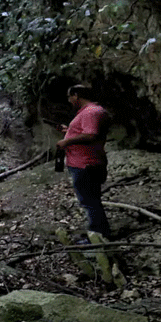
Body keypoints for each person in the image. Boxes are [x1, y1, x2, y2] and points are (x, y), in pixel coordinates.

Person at [57, 84, 112, 239]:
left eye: (70, 97)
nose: (69, 101)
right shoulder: (92, 111)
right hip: (89, 162)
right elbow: (87, 132)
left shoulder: (90, 112)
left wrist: (66, 142)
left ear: (76, 95)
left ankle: (99, 236)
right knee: (92, 200)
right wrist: (69, 131)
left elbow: (90, 135)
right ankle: (98, 232)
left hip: (85, 164)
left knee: (90, 201)